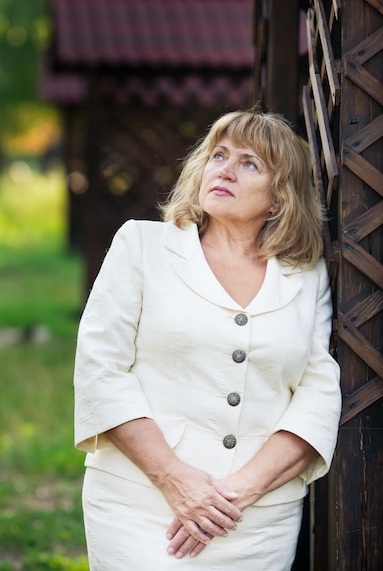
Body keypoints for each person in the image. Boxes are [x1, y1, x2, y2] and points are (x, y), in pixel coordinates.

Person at [74, 107, 341, 571]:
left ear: (278, 199)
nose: (225, 169)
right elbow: (101, 370)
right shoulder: (141, 245)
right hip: (139, 507)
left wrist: (236, 494)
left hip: (255, 521)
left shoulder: (307, 275)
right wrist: (176, 480)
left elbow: (318, 395)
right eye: (219, 155)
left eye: (249, 163)